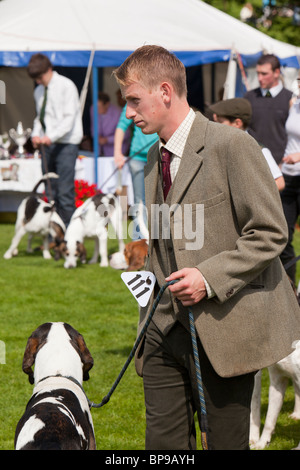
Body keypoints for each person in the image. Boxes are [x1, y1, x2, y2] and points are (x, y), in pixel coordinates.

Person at [113, 45, 300, 451]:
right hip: (164, 328)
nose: (128, 113)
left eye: (133, 100)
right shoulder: (152, 161)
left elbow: (271, 232)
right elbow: (163, 246)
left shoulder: (232, 146)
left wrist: (208, 278)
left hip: (226, 329)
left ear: (165, 91)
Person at [27, 53, 83, 227]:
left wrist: (49, 137)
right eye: (35, 79)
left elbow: (69, 119)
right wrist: (35, 135)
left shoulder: (66, 86)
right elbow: (40, 119)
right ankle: (54, 234)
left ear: (49, 70)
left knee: (65, 193)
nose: (38, 81)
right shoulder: (39, 91)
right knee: (50, 193)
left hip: (66, 145)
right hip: (47, 146)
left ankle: (69, 237)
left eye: (40, 77)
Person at [209, 97, 285, 191]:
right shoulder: (220, 145)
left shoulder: (258, 150)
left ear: (237, 123)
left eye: (220, 122)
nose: (216, 126)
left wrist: (251, 197)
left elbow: (279, 182)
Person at [114, 104, 158, 239]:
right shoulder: (132, 103)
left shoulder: (156, 100)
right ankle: (139, 240)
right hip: (137, 158)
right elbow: (121, 126)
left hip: (158, 155)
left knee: (160, 199)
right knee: (140, 201)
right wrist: (117, 153)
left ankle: (161, 240)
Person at [244, 54, 293, 165]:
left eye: (264, 74)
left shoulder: (291, 99)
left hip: (282, 165)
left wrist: (283, 164)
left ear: (276, 72)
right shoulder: (249, 97)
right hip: (253, 162)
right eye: (258, 73)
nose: (260, 78)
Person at [279, 74, 300, 282]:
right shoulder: (294, 104)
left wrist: (298, 156)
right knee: (283, 235)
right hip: (289, 176)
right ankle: (289, 289)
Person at [90, 91, 130, 156]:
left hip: (116, 150)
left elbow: (126, 134)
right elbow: (93, 127)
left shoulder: (118, 112)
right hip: (99, 150)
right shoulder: (93, 109)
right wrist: (96, 136)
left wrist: (107, 140)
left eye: (99, 107)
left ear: (107, 104)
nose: (96, 110)